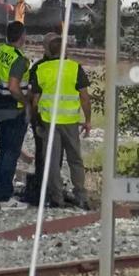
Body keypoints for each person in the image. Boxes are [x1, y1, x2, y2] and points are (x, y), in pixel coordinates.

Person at [27, 33, 93, 210]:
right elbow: (85, 98)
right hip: (70, 121)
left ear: (48, 50)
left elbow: (35, 100)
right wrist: (87, 120)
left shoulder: (41, 69)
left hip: (49, 122)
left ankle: (57, 197)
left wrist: (35, 120)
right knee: (75, 160)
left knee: (52, 160)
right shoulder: (74, 68)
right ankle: (80, 195)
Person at [0, 20, 31, 211]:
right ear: (22, 36)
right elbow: (13, 87)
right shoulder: (19, 59)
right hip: (12, 109)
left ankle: (0, 194)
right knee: (11, 153)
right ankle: (4, 197)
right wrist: (26, 102)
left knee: (3, 152)